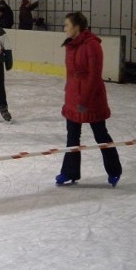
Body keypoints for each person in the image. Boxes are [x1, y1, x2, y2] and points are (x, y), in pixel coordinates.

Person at [55, 12, 122, 187]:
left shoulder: (92, 45)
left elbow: (94, 76)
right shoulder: (71, 45)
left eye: (67, 25)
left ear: (76, 27)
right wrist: (69, 92)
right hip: (73, 96)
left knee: (101, 135)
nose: (65, 29)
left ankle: (114, 170)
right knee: (72, 137)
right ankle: (69, 172)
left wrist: (84, 101)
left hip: (91, 97)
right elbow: (71, 73)